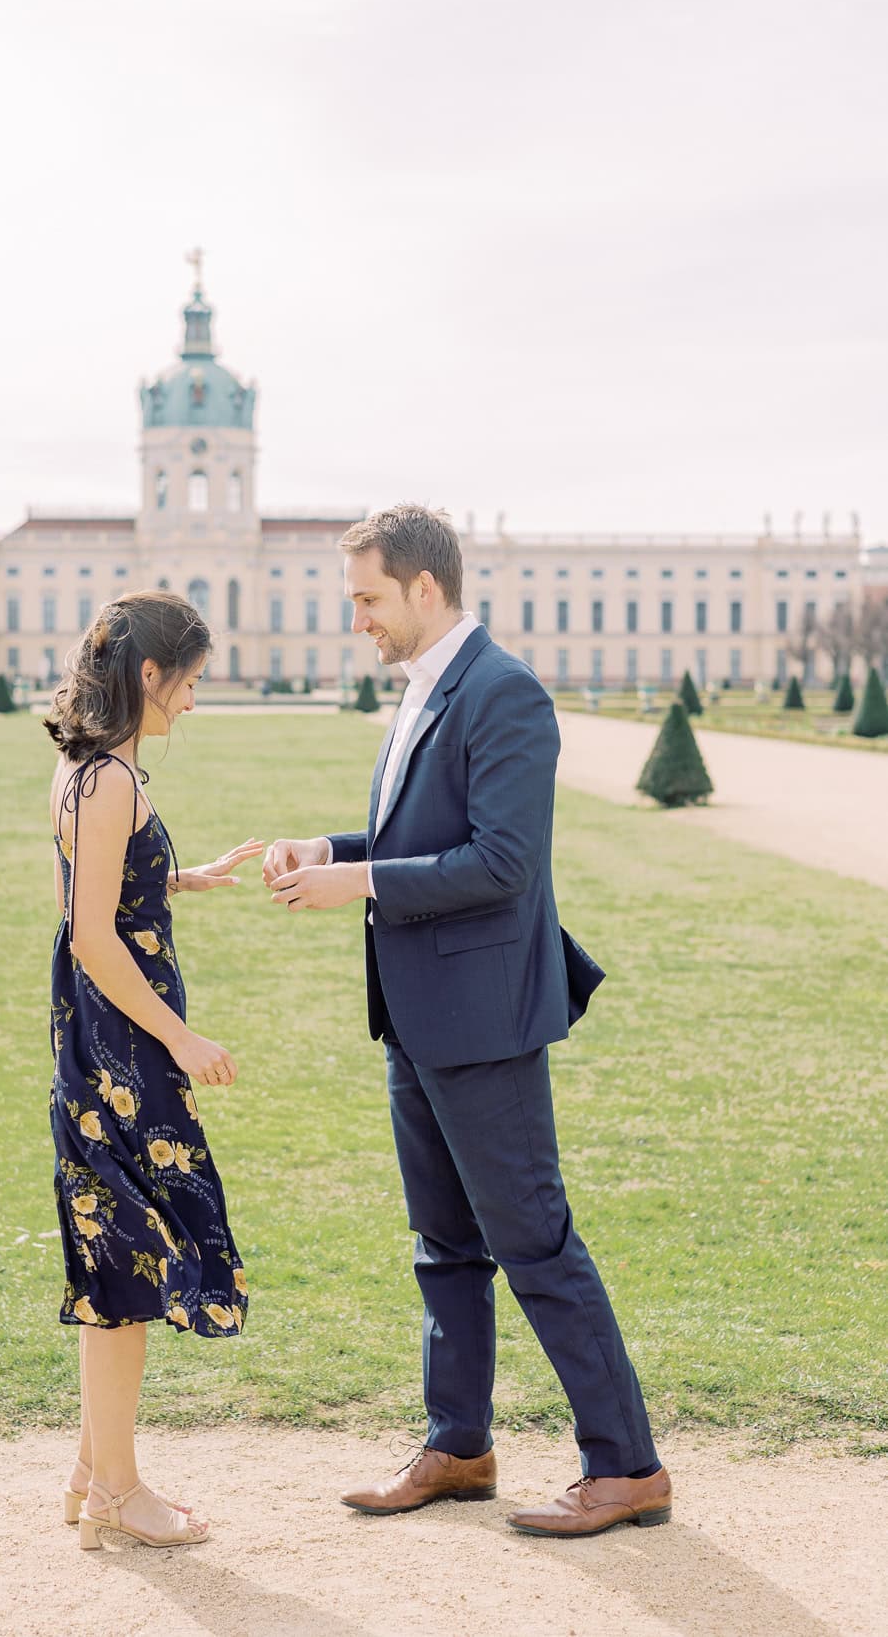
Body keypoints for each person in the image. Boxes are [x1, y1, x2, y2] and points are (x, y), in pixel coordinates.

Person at [263, 505, 670, 1539]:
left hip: (484, 1020)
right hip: (416, 1014)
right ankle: (458, 1448)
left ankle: (626, 1467)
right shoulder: (423, 693)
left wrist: (357, 881)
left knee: (534, 1243)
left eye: (367, 598)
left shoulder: (505, 693)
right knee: (444, 1245)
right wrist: (329, 845)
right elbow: (422, 831)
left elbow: (501, 864)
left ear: (425, 589)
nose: (356, 618)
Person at [44, 591, 262, 1550]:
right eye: (192, 679)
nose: (195, 699)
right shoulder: (112, 782)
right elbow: (95, 931)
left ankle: (96, 1469)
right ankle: (120, 1493)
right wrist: (179, 1036)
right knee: (129, 1258)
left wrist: (184, 878)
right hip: (124, 1048)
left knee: (123, 1240)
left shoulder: (89, 772)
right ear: (148, 674)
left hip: (98, 1038)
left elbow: (105, 888)